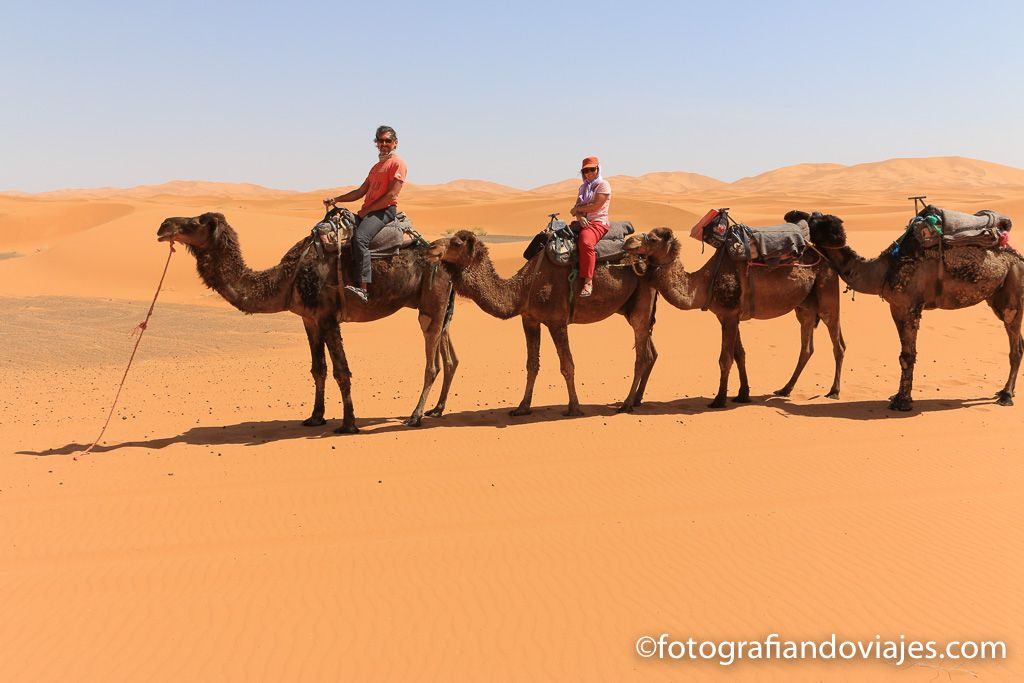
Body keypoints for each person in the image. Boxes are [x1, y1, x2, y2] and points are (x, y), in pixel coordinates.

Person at [323, 125, 407, 303]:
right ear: (376, 143)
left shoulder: (397, 163)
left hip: (384, 211)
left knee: (360, 238)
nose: (384, 144)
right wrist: (336, 200)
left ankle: (363, 289)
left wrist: (369, 209)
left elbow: (392, 195)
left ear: (395, 143)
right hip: (369, 212)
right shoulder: (376, 167)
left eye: (388, 141)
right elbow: (360, 192)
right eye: (380, 141)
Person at [569, 156, 611, 297]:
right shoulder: (583, 188)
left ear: (598, 169)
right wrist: (579, 217)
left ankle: (588, 281)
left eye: (592, 169)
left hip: (598, 222)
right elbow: (576, 211)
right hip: (584, 223)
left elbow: (596, 207)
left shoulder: (603, 185)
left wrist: (578, 209)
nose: (589, 173)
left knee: (586, 242)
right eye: (585, 171)